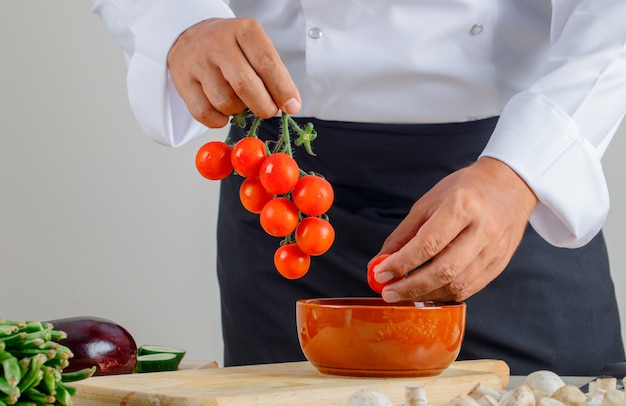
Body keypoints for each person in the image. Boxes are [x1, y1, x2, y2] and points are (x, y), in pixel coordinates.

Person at [92, 0, 626, 375]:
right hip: (281, 187)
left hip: (511, 184)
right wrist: (180, 21)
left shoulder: (520, 174)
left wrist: (524, 168)